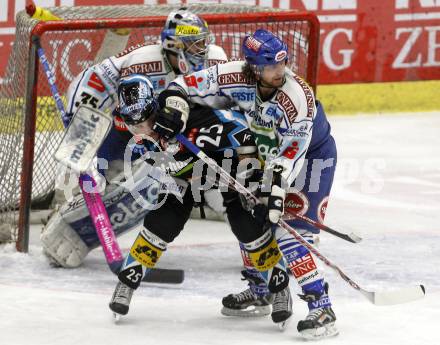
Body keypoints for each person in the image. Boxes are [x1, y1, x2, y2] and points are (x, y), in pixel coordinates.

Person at [153, 29, 338, 340]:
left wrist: (274, 191)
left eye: (281, 64)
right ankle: (261, 287)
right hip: (259, 149)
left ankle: (322, 305)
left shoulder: (297, 97)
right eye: (270, 67)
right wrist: (175, 106)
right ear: (253, 67)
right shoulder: (232, 75)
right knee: (246, 212)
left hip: (311, 160)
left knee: (288, 231)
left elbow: (292, 151)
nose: (279, 72)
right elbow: (183, 85)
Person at [42, 8, 228, 267]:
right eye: (194, 44)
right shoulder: (141, 60)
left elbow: (227, 103)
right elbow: (92, 80)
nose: (202, 50)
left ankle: (256, 240)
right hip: (124, 134)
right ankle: (70, 222)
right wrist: (78, 118)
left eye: (203, 43)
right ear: (174, 45)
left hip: (181, 138)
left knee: (217, 182)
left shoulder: (216, 59)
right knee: (94, 178)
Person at [107, 74, 292, 328]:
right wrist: (96, 169)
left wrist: (253, 175)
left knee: (246, 225)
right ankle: (126, 284)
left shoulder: (188, 119)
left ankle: (280, 288)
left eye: (147, 121)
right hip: (183, 179)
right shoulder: (130, 125)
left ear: (156, 109)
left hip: (229, 172)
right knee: (161, 222)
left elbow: (239, 128)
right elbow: (107, 149)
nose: (144, 130)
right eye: (135, 125)